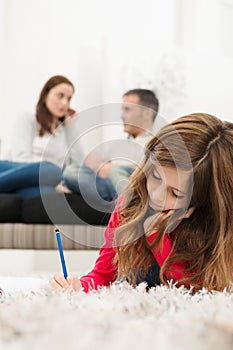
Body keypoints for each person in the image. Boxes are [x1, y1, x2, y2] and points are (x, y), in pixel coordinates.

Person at [50, 113, 233, 293]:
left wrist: (156, 236)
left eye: (176, 193)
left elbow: (200, 291)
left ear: (202, 201)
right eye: (154, 176)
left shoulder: (217, 225)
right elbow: (103, 275)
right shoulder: (131, 203)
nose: (156, 196)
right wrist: (80, 286)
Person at [63, 89, 159, 205]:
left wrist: (113, 169)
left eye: (127, 109)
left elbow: (153, 174)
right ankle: (120, 206)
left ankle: (128, 205)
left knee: (117, 172)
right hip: (110, 187)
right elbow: (92, 163)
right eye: (122, 110)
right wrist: (103, 167)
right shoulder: (116, 144)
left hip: (137, 188)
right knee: (71, 172)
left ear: (147, 113)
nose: (122, 116)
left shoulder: (158, 143)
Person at [10, 75, 83, 193]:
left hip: (58, 183)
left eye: (69, 99)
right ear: (46, 95)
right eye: (60, 96)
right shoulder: (28, 119)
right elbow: (20, 159)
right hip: (29, 179)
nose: (65, 103)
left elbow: (77, 165)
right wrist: (51, 180)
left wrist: (71, 127)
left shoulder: (64, 130)